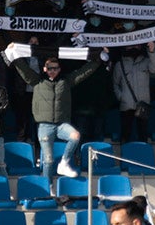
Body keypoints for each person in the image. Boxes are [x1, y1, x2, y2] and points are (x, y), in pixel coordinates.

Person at [12, 50, 102, 180]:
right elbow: (23, 69)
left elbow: (83, 72)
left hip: (61, 123)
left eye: (55, 68)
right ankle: (48, 188)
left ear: (59, 69)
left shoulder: (66, 81)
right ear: (44, 69)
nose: (52, 71)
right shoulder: (37, 81)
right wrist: (12, 54)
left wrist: (98, 59)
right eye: (49, 68)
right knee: (48, 160)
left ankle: (64, 163)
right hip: (44, 125)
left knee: (75, 136)